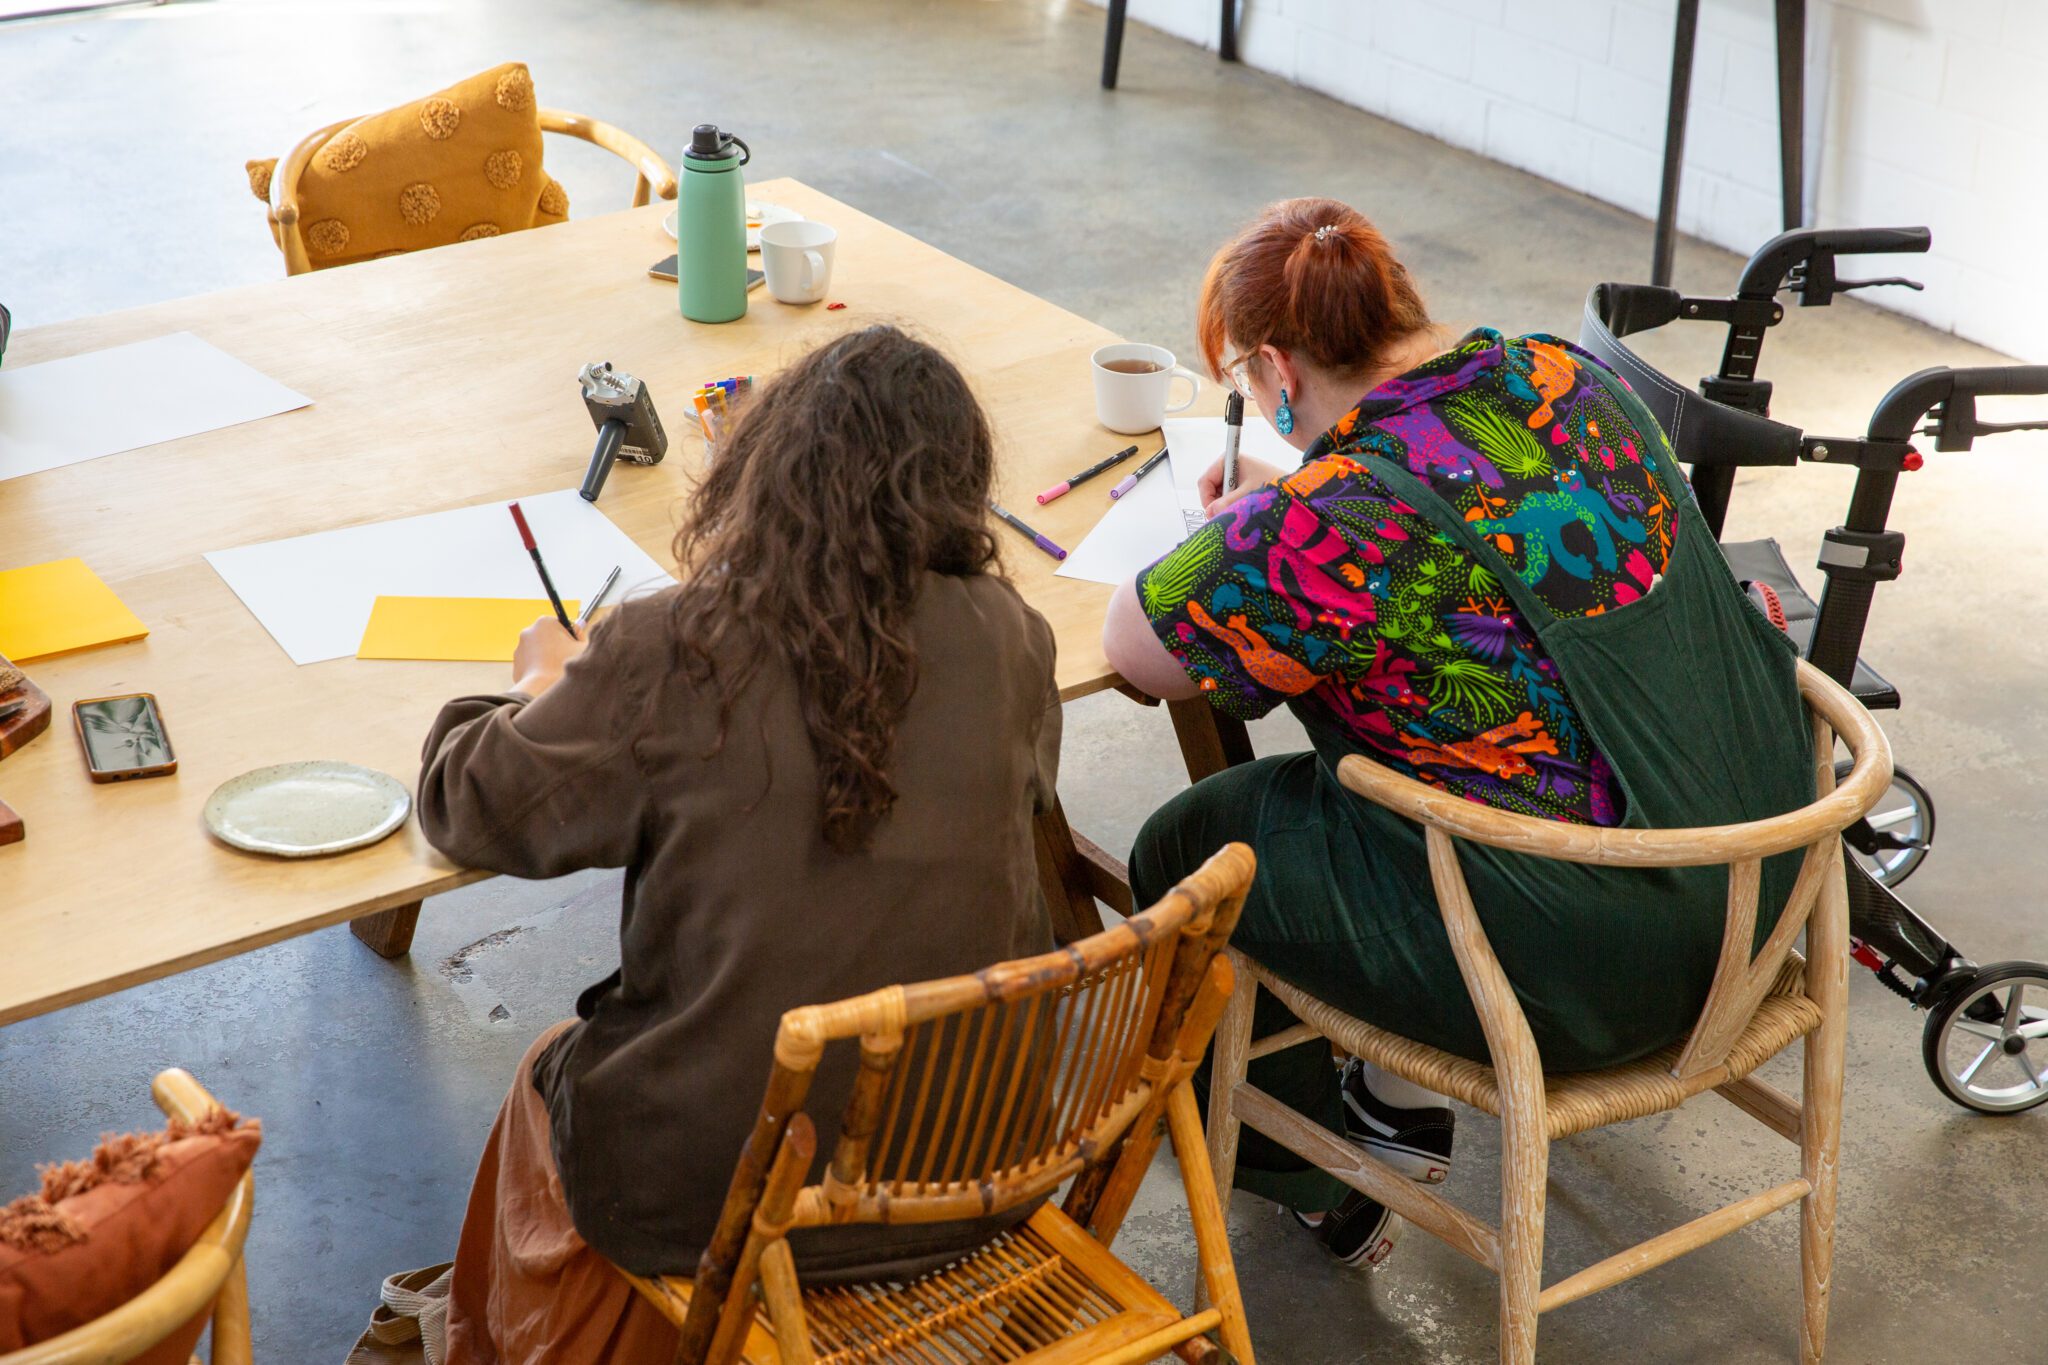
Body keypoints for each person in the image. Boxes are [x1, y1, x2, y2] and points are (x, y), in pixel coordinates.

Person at [1103, 199, 1813, 1268]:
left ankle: (1314, 1170)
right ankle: (1388, 1102)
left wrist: (1257, 525)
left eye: (1242, 389)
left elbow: (1133, 649)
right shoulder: (1563, 377)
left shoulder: (1320, 526)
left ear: (1274, 371)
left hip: (1601, 972)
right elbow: (1467, 502)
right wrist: (1292, 496)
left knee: (1189, 847)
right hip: (1765, 885)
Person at [417, 325, 1063, 1361]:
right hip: (973, 1164)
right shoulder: (1013, 635)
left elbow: (468, 809)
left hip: (726, 1195)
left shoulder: (672, 648)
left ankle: (499, 1340)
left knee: (554, 1069)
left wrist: (533, 688)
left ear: (766, 475)